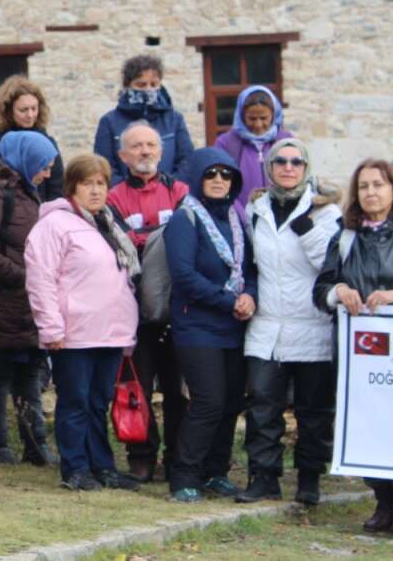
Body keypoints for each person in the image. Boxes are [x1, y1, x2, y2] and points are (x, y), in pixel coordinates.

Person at [25, 154, 142, 492]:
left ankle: (102, 466)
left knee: (98, 402)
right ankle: (75, 468)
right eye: (87, 183)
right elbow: (41, 279)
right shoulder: (54, 224)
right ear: (72, 187)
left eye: (101, 183)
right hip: (74, 332)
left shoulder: (106, 222)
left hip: (109, 330)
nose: (95, 190)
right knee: (75, 401)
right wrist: (51, 328)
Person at [237, 138, 341, 505]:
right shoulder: (256, 209)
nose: (288, 167)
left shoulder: (325, 212)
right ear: (270, 167)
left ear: (306, 168)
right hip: (268, 325)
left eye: (297, 161)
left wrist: (307, 227)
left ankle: (309, 479)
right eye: (280, 160)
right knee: (263, 407)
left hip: (311, 324)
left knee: (314, 411)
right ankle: (263, 477)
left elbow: (328, 267)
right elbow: (251, 263)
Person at [312, 158, 393, 533]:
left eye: (378, 185)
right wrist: (339, 291)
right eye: (364, 186)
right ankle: (383, 503)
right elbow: (320, 290)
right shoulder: (345, 237)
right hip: (361, 356)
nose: (371, 192)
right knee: (370, 425)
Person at [165, 147, 257, 503]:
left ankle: (215, 471)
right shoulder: (184, 219)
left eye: (226, 174)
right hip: (197, 325)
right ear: (198, 177)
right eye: (211, 174)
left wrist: (250, 294)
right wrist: (229, 301)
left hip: (233, 325)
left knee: (232, 401)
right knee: (208, 401)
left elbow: (250, 268)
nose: (219, 180)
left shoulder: (237, 219)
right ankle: (184, 475)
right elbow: (184, 276)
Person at [0, 131, 58, 466]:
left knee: (30, 374)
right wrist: (16, 273)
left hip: (25, 304)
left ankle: (35, 445)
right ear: (27, 161)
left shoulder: (26, 191)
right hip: (0, 302)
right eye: (43, 166)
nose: (47, 174)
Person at [106, 119, 190, 484]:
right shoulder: (113, 197)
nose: (145, 153)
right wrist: (160, 238)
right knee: (135, 388)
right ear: (123, 155)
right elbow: (119, 242)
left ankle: (176, 456)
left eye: (151, 146)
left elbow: (187, 238)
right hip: (134, 308)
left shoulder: (181, 191)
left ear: (162, 150)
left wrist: (145, 238)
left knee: (178, 390)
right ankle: (141, 456)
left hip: (176, 308)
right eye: (136, 147)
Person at [94, 55, 195, 185]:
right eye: (141, 84)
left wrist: (168, 188)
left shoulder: (174, 119)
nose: (148, 89)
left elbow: (186, 161)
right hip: (124, 199)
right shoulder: (109, 122)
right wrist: (127, 191)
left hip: (169, 196)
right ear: (128, 85)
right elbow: (105, 166)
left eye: (153, 84)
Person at [213, 86, 294, 223]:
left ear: (274, 115)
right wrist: (242, 216)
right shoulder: (226, 144)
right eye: (251, 118)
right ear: (241, 115)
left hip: (281, 220)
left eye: (264, 118)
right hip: (239, 220)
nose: (258, 124)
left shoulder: (285, 142)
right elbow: (221, 185)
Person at [0, 76, 64, 201]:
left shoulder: (46, 141)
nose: (30, 115)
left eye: (34, 108)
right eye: (23, 110)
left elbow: (56, 187)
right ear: (8, 111)